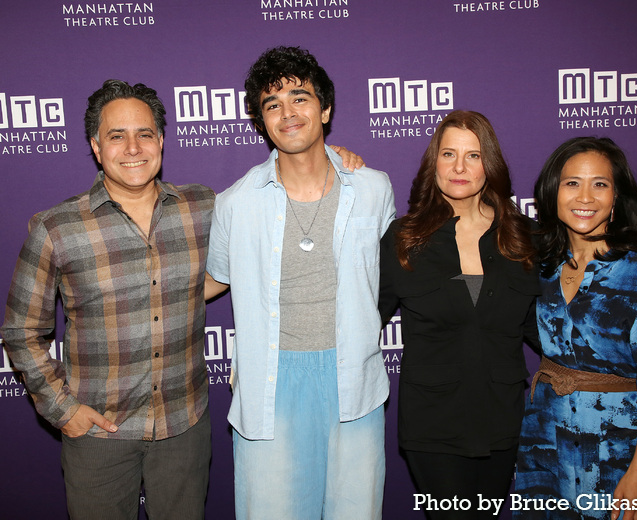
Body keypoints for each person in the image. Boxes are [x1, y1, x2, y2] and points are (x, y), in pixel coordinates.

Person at [0, 80, 214, 519]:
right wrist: (63, 411)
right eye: (117, 136)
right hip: (98, 435)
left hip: (184, 426)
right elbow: (21, 330)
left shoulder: (204, 207)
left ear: (162, 140)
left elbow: (275, 197)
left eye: (145, 134)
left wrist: (332, 158)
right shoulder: (56, 227)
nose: (133, 148)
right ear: (96, 147)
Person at [205, 46, 396, 520]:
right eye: (273, 105)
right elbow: (212, 280)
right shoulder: (235, 203)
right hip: (271, 381)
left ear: (325, 109)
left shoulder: (374, 188)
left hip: (354, 377)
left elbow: (394, 276)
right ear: (260, 121)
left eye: (300, 98)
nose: (288, 113)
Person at [514, 137, 637, 520]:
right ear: (553, 192)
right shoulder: (540, 264)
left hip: (619, 448)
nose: (585, 196)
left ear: (617, 197)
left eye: (600, 183)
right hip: (545, 442)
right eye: (571, 183)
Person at [379, 110, 540, 519]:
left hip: (503, 421)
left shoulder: (524, 237)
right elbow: (362, 322)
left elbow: (546, 328)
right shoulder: (404, 239)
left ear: (491, 164)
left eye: (473, 155)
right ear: (434, 161)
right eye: (448, 154)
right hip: (433, 426)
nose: (459, 167)